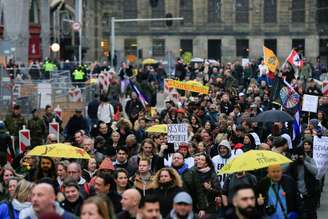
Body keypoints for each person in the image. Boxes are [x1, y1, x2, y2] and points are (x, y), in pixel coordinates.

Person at [171, 152, 207, 217]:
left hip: (188, 206)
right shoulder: (168, 173)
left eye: (178, 158)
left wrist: (202, 208)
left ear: (183, 160)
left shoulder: (191, 173)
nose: (176, 159)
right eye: (174, 158)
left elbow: (199, 191)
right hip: (171, 207)